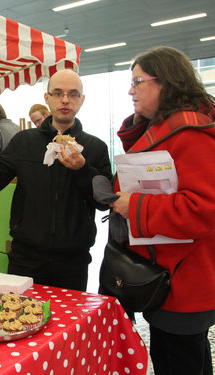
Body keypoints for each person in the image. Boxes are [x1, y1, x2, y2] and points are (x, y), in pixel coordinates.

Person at [0, 69, 112, 291]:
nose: (65, 99)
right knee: (19, 321)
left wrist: (83, 169)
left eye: (73, 94)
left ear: (81, 100)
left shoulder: (95, 147)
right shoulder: (24, 142)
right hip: (25, 259)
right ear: (47, 98)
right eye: (57, 93)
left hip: (73, 262)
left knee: (69, 324)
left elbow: (104, 201)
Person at [109, 46, 215, 375]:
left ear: (164, 82)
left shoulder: (191, 134)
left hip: (182, 282)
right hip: (173, 277)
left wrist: (134, 205)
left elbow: (203, 209)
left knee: (179, 361)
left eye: (138, 81)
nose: (130, 90)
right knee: (188, 359)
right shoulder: (176, 128)